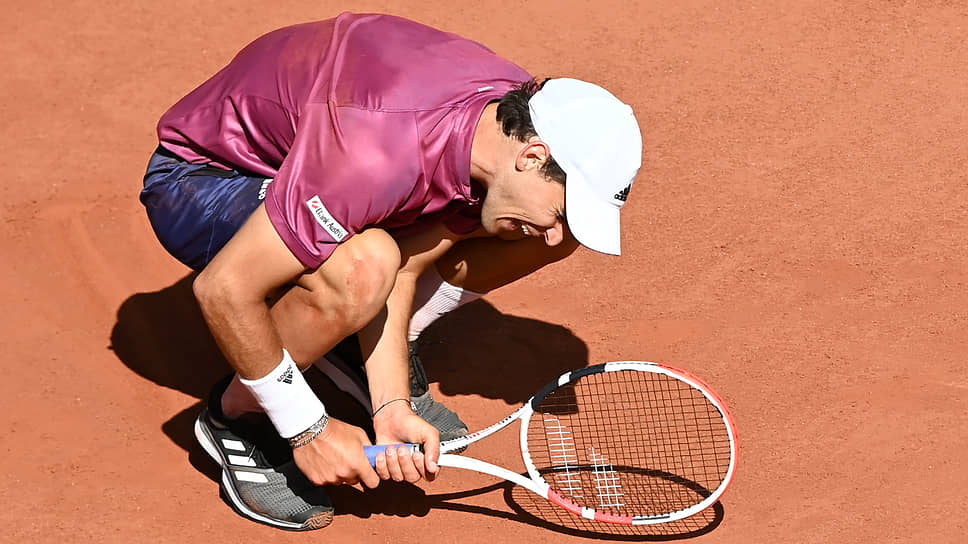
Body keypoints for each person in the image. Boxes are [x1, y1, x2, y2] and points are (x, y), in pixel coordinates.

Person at [140, 12, 642, 531]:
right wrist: (307, 428)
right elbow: (223, 289)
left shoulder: (503, 127)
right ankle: (237, 417)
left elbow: (406, 270)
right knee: (363, 266)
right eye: (561, 210)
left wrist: (392, 404)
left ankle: (344, 338)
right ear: (534, 156)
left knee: (483, 240)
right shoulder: (374, 155)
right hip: (206, 177)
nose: (557, 234)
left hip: (337, 166)